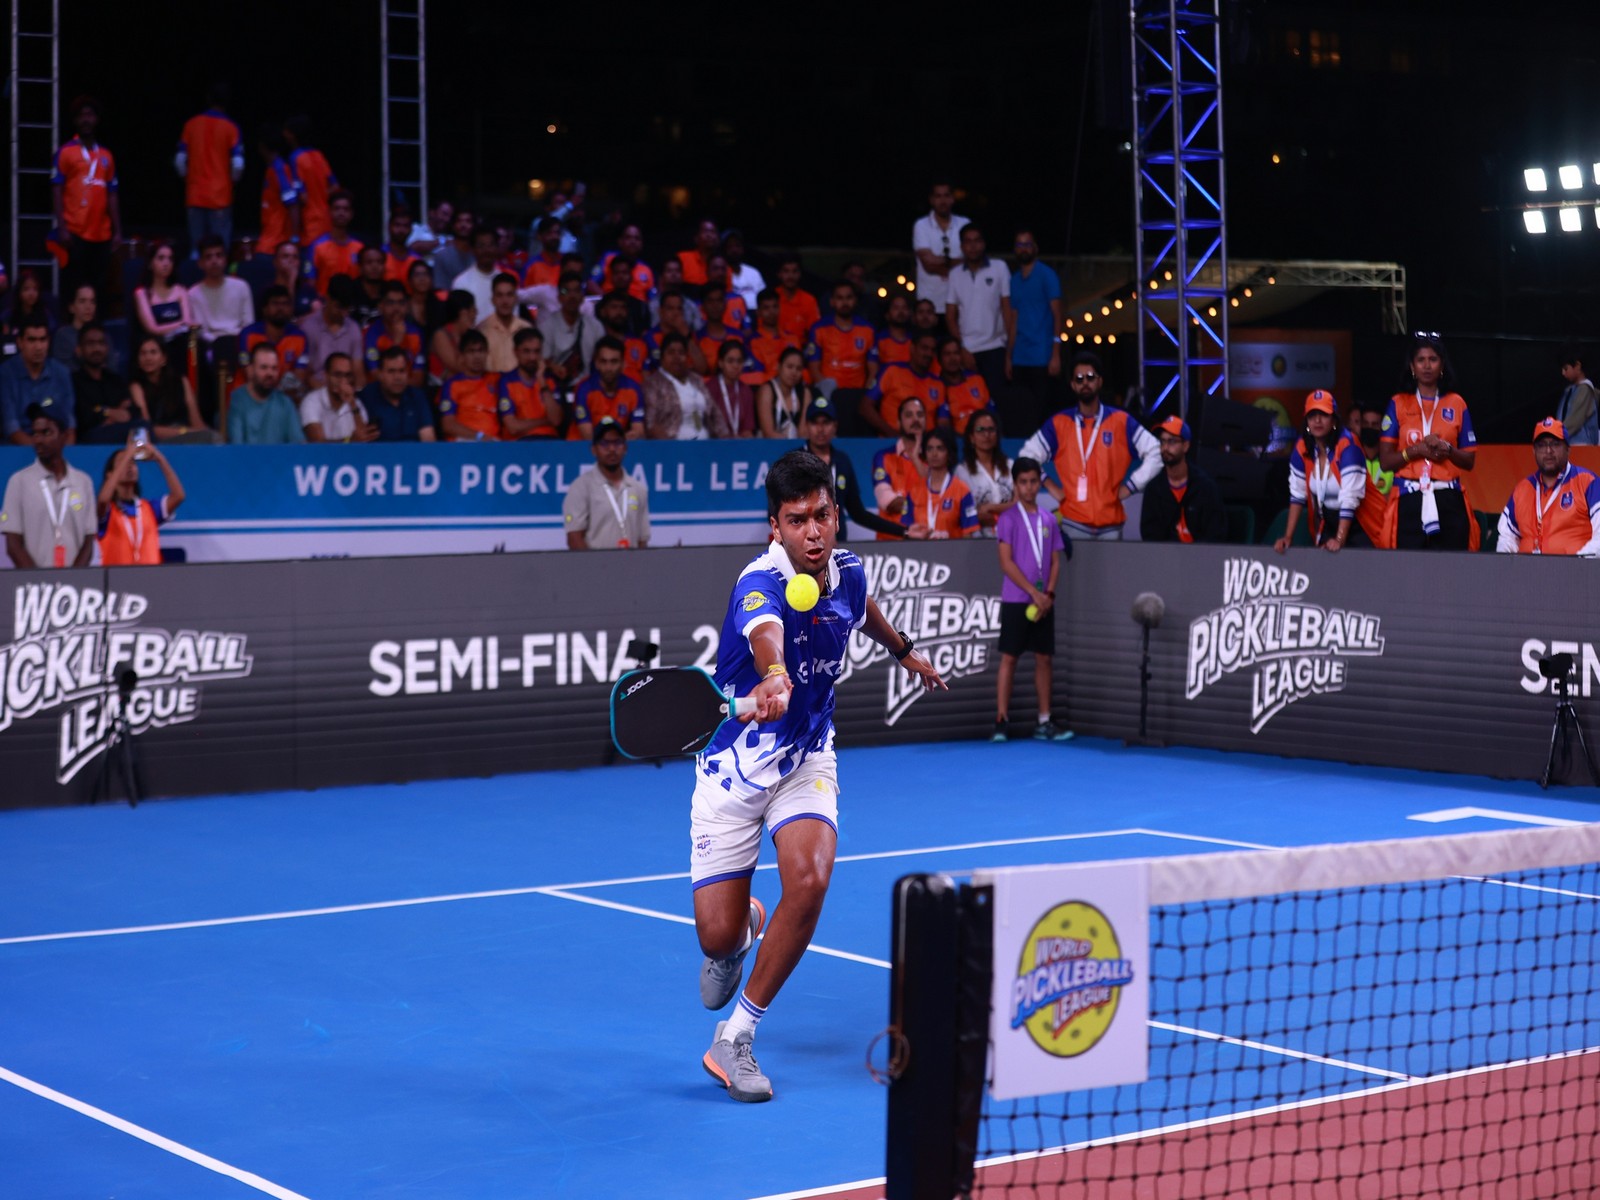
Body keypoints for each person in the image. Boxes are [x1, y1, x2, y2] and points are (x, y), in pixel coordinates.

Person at [691, 450, 945, 1103]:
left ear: (835, 516)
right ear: (774, 526)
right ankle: (742, 926)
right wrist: (773, 675)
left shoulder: (848, 573)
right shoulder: (759, 582)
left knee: (810, 877)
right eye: (798, 520)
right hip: (735, 770)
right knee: (716, 938)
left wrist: (906, 652)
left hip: (806, 755)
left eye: (823, 516)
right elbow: (765, 632)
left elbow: (866, 609)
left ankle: (735, 1038)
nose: (814, 532)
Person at [1020, 351, 1160, 540]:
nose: (1085, 382)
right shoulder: (1059, 423)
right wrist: (1050, 485)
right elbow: (1026, 456)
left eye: (1090, 377)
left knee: (1111, 571)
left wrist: (1132, 486)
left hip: (1111, 524)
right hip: (1073, 523)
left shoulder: (1121, 421)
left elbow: (1156, 452)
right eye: (1079, 379)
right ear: (1072, 385)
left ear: (1099, 382)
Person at [991, 456, 1071, 743]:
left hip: (1044, 602)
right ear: (1015, 485)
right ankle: (1001, 719)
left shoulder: (1049, 519)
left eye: (1033, 481)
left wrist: (1048, 593)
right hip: (1017, 600)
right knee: (1009, 659)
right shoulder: (1008, 519)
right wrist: (1034, 592)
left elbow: (1055, 561)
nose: (1028, 487)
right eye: (1023, 482)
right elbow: (1006, 563)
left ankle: (1045, 720)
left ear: (1040, 483)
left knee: (1044, 659)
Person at [1377, 335, 1477, 551]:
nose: (1427, 365)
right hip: (1409, 499)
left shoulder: (1457, 403)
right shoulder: (1398, 403)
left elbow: (1469, 461)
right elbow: (1385, 461)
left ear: (1442, 365)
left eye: (1433, 359)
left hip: (1448, 498)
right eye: (1421, 360)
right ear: (1412, 366)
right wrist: (1416, 451)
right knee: (1408, 572)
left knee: (1451, 571)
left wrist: (1448, 450)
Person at [2, 398, 96, 567]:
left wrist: (74, 580)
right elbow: (13, 544)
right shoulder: (19, 481)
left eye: (46, 432)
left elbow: (88, 542)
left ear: (64, 436)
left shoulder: (83, 482)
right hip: (33, 588)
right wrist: (40, 582)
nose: (38, 440)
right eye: (35, 433)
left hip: (75, 588)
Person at [799, 397, 907, 539]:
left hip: (837, 548)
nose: (820, 429)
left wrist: (904, 531)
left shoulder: (842, 461)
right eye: (815, 423)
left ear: (835, 426)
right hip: (805, 547)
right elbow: (778, 511)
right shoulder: (795, 462)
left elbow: (858, 513)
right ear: (806, 425)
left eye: (826, 423)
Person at [1274, 391, 1368, 553]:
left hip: (1361, 524)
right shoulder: (1302, 447)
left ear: (1334, 421)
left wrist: (1339, 539)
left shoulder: (1348, 445)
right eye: (1312, 415)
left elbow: (1350, 499)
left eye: (1323, 414)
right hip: (1329, 522)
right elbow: (1297, 495)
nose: (1317, 420)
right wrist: (1288, 537)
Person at [1497, 418, 1600, 555]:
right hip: (1527, 572)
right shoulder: (1522, 489)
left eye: (1555, 444)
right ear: (1534, 451)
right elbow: (1507, 538)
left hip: (1574, 572)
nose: (1548, 451)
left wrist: (1579, 565)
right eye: (1542, 445)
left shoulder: (1588, 482)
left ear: (1568, 449)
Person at [53, 96, 121, 298]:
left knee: (99, 287)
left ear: (96, 120)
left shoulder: (107, 155)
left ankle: (96, 329)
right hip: (75, 232)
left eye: (90, 115)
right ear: (75, 121)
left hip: (101, 234)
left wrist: (117, 231)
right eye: (81, 115)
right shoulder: (65, 152)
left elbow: (112, 194)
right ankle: (72, 329)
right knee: (74, 286)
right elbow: (56, 190)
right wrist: (62, 228)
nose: (86, 119)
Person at [188, 234, 255, 410]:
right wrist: (219, 341)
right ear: (200, 263)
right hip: (212, 344)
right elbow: (201, 330)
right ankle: (218, 414)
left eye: (219, 255)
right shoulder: (193, 293)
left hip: (239, 342)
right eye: (209, 257)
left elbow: (249, 323)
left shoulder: (241, 286)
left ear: (225, 259)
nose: (215, 261)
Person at [176, 84, 244, 255]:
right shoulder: (231, 127)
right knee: (219, 251)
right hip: (220, 196)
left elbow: (179, 160)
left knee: (196, 250)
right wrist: (231, 182)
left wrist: (188, 179)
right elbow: (238, 164)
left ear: (208, 99)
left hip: (195, 194)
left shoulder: (191, 125)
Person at [945, 225, 1012, 396]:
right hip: (967, 350)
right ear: (961, 246)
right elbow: (950, 316)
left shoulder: (1000, 268)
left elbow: (1008, 310)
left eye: (977, 241)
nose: (973, 246)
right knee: (969, 402)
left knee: (997, 402)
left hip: (996, 348)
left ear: (983, 244)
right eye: (968, 241)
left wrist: (1010, 352)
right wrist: (961, 348)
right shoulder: (955, 274)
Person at [1006, 228, 1062, 431]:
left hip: (1042, 355)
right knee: (1021, 412)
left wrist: (1056, 352)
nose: (1023, 248)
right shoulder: (1013, 280)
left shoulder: (1047, 275)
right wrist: (1008, 356)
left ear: (1035, 248)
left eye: (1027, 244)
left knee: (1042, 412)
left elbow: (1057, 315)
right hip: (1020, 356)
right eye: (1019, 244)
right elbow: (1013, 320)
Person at [563, 418, 649, 548]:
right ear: (593, 450)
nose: (612, 449)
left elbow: (642, 541)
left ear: (625, 448)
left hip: (633, 566)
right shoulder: (581, 487)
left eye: (617, 443)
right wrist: (595, 567)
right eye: (604, 443)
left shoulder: (638, 489)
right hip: (595, 566)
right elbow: (574, 538)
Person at [96, 440, 185, 565]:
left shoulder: (149, 509)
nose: (129, 465)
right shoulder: (108, 511)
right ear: (110, 475)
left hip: (150, 580)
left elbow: (178, 495)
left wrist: (160, 459)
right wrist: (128, 454)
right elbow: (103, 499)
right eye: (123, 462)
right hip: (115, 581)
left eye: (132, 462)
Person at [1141, 416, 1228, 543]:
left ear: (1186, 446)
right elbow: (1150, 537)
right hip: (1166, 559)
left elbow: (1216, 535)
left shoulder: (1205, 487)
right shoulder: (1154, 489)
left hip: (1201, 558)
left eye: (1171, 442)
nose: (1165, 447)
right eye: (1162, 442)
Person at [807, 281, 877, 423]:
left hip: (858, 396)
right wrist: (828, 395)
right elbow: (814, 369)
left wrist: (866, 396)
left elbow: (873, 370)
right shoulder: (819, 329)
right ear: (832, 302)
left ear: (855, 300)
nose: (845, 302)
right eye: (839, 298)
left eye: (849, 297)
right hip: (830, 395)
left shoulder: (867, 330)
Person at [2, 314, 76, 446]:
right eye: (32, 340)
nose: (38, 347)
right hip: (16, 450)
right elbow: (12, 429)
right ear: (20, 342)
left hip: (55, 448)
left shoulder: (62, 373)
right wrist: (43, 451)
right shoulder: (5, 374)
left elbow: (69, 428)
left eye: (43, 340)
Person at [900, 426, 978, 540]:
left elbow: (968, 535)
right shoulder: (914, 491)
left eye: (940, 448)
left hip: (953, 555)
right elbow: (906, 531)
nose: (934, 454)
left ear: (949, 454)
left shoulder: (962, 490)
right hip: (920, 556)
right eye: (929, 449)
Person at [862, 330, 944, 437]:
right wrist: (893, 435)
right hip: (891, 441)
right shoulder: (892, 371)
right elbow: (865, 407)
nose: (929, 354)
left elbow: (943, 422)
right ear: (912, 348)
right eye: (924, 348)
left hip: (926, 447)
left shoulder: (938, 384)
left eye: (932, 350)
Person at [129, 334, 208, 443]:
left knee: (214, 438)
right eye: (143, 353)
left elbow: (196, 421)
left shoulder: (181, 381)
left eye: (153, 352)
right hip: (159, 439)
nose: (148, 358)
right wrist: (184, 432)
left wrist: (208, 434)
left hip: (187, 433)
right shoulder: (136, 386)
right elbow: (147, 428)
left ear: (164, 359)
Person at [644, 332, 725, 440]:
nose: (676, 357)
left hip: (706, 446)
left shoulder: (696, 379)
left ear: (687, 357)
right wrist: (672, 448)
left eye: (681, 353)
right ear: (662, 357)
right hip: (674, 448)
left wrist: (726, 440)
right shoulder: (653, 383)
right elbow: (650, 423)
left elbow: (715, 413)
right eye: (671, 352)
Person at [872, 395, 931, 539]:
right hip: (891, 542)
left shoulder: (934, 457)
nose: (915, 419)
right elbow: (888, 502)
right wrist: (924, 504)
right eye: (909, 415)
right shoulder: (883, 457)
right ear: (899, 422)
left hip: (927, 540)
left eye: (920, 415)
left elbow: (942, 500)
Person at [238, 286, 311, 399]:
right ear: (265, 308)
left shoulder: (300, 337)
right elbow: (249, 374)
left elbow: (299, 377)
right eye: (275, 304)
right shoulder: (248, 334)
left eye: (285, 304)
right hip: (249, 396)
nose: (280, 308)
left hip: (284, 398)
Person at [72, 322, 138, 444]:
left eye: (101, 343)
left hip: (120, 436)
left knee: (142, 427)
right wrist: (113, 412)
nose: (97, 348)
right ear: (79, 350)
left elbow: (132, 411)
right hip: (89, 443)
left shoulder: (115, 380)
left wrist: (104, 413)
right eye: (90, 344)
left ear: (107, 348)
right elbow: (84, 418)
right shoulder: (73, 381)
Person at [227, 342, 304, 444]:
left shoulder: (285, 403)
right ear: (251, 370)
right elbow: (237, 447)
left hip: (280, 459)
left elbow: (298, 445)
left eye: (274, 368)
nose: (270, 373)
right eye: (264, 367)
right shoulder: (237, 400)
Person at [538, 271, 604, 390]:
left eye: (577, 290)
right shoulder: (546, 326)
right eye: (565, 291)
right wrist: (553, 366)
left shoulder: (596, 326)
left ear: (583, 296)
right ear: (559, 297)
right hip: (556, 387)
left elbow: (603, 359)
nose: (572, 296)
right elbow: (542, 360)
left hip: (589, 388)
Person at [912, 181, 969, 318]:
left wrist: (941, 263)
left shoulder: (965, 224)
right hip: (929, 305)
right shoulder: (921, 225)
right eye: (938, 196)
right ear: (932, 200)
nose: (942, 200)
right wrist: (957, 265)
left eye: (946, 196)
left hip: (960, 303)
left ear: (952, 199)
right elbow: (928, 264)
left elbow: (971, 262)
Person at [572, 337, 645, 439]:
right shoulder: (584, 389)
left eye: (614, 362)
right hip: (580, 449)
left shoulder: (633, 388)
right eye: (603, 362)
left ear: (623, 364)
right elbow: (587, 436)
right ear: (597, 363)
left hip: (616, 449)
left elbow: (639, 432)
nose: (608, 368)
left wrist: (615, 443)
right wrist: (616, 441)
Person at [955, 410, 1014, 536]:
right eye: (980, 430)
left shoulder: (1010, 466)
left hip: (1012, 535)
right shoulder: (962, 472)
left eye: (991, 429)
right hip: (979, 540)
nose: (986, 434)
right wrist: (978, 516)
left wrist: (989, 508)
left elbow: (1022, 505)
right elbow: (959, 512)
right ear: (971, 437)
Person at [360, 346, 437, 441]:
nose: (397, 377)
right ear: (380, 374)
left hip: (413, 454)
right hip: (380, 454)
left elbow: (428, 439)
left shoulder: (417, 397)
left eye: (402, 371)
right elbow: (359, 439)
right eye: (391, 371)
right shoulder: (367, 396)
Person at [497, 328, 562, 440]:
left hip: (549, 442)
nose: (532, 357)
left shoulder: (549, 380)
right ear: (515, 352)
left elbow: (556, 420)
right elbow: (513, 427)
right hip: (520, 445)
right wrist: (545, 421)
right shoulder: (507, 381)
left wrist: (541, 381)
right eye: (526, 351)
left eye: (536, 351)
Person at [438, 329, 501, 441]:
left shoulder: (497, 379)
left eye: (481, 350)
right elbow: (448, 425)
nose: (477, 356)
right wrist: (480, 437)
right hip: (463, 443)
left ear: (487, 353)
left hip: (493, 444)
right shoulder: (452, 384)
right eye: (471, 351)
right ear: (462, 356)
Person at [302, 275, 364, 388]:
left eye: (347, 308)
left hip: (345, 390)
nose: (343, 314)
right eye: (339, 307)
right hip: (317, 391)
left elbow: (358, 372)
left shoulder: (353, 329)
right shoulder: (309, 327)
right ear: (328, 298)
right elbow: (306, 374)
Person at [284, 116, 338, 245]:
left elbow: (302, 197)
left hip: (309, 226)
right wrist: (321, 196)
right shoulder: (319, 155)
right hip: (327, 222)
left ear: (292, 134)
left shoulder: (295, 158)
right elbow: (335, 187)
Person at [1348, 403, 1395, 549]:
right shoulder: (1351, 457)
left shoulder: (1391, 459)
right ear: (1360, 425)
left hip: (1386, 528)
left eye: (1375, 425)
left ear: (1382, 427)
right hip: (1358, 530)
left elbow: (1396, 496)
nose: (1370, 428)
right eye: (1366, 424)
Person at [300, 353, 374, 442]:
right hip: (320, 456)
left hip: (351, 455)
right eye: (337, 375)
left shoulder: (356, 403)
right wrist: (350, 441)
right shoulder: (312, 401)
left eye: (347, 375)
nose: (343, 380)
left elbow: (363, 439)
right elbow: (317, 443)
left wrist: (352, 405)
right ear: (326, 376)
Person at [133, 241, 194, 348]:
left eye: (170, 259)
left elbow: (188, 322)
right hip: (155, 346)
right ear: (150, 263)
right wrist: (181, 325)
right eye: (161, 258)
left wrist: (183, 326)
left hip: (180, 343)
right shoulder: (141, 293)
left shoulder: (181, 290)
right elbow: (152, 328)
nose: (166, 263)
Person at [255, 125, 302, 257]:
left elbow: (293, 205)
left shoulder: (279, 170)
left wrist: (294, 238)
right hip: (270, 237)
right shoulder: (272, 169)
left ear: (262, 146)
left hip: (276, 243)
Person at [307, 189, 363, 296]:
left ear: (351, 214)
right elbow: (310, 282)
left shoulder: (359, 248)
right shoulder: (316, 247)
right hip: (324, 306)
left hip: (352, 306)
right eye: (337, 209)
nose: (341, 213)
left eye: (346, 209)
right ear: (329, 212)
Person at [935, 336, 995, 432]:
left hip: (983, 434)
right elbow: (943, 426)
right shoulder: (937, 386)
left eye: (956, 353)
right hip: (959, 440)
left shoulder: (977, 379)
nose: (953, 358)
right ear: (939, 358)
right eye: (947, 354)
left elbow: (992, 413)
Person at [477, 272, 533, 374]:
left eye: (509, 295)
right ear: (493, 300)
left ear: (516, 298)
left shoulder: (527, 329)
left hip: (520, 388)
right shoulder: (482, 331)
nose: (505, 301)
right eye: (500, 295)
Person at [744, 288, 799, 388]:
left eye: (775, 307)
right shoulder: (752, 341)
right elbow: (756, 375)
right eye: (766, 308)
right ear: (758, 312)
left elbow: (800, 368)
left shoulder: (793, 338)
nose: (772, 312)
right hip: (767, 390)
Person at [756, 347, 814, 440]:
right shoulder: (767, 390)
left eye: (798, 369)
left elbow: (803, 432)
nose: (794, 372)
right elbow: (768, 433)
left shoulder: (805, 393)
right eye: (789, 367)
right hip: (769, 447)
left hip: (796, 449)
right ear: (779, 367)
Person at [595, 290, 651, 382]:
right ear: (603, 312)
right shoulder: (596, 342)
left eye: (623, 307)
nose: (619, 312)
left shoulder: (639, 344)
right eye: (614, 307)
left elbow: (646, 376)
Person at [707, 341, 758, 438]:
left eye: (739, 361)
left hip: (740, 447)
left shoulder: (746, 391)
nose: (735, 366)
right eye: (730, 361)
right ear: (720, 363)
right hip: (713, 446)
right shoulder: (709, 389)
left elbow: (747, 431)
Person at [451, 226, 503, 317]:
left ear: (497, 248)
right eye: (481, 246)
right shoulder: (461, 283)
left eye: (491, 245)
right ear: (472, 249)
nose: (487, 250)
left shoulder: (505, 281)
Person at [51, 283, 102, 369]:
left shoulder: (102, 336)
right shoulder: (63, 336)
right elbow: (63, 370)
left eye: (92, 302)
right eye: (82, 301)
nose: (88, 307)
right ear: (72, 307)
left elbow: (111, 369)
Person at [1556, 347, 1599, 447]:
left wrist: (1555, 435)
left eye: (1566, 368)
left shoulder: (1585, 390)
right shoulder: (1570, 391)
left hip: (1581, 446)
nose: (1563, 373)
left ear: (1577, 366)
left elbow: (1574, 420)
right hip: (1568, 444)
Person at [774, 255, 821, 343]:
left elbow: (815, 332)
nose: (790, 276)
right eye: (786, 271)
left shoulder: (809, 300)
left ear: (800, 274)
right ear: (779, 274)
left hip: (800, 351)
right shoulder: (771, 297)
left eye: (795, 271)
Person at [429, 207, 476, 288]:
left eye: (468, 221)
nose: (463, 225)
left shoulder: (480, 255)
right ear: (453, 225)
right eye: (459, 221)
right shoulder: (442, 256)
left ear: (474, 225)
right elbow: (440, 290)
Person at [271, 240, 320, 318]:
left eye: (295, 257)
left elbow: (318, 317)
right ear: (275, 262)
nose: (291, 260)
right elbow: (284, 319)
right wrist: (291, 281)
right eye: (285, 256)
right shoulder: (269, 291)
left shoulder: (308, 290)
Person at [721, 229, 765, 308]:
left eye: (737, 245)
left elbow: (764, 300)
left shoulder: (753, 273)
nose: (734, 250)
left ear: (742, 249)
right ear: (724, 249)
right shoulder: (721, 273)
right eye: (730, 246)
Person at [872, 293, 914, 372]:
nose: (901, 312)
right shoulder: (878, 340)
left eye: (904, 308)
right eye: (896, 308)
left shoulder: (915, 341)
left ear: (910, 313)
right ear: (887, 315)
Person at [521, 216, 566, 288]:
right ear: (539, 236)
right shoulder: (531, 266)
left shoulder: (567, 263)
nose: (554, 236)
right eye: (549, 233)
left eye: (557, 232)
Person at [382, 207, 422, 283]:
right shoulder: (380, 255)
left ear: (411, 229)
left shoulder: (416, 259)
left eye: (405, 226)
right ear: (389, 227)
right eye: (397, 225)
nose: (401, 230)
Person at [679, 218, 720, 286]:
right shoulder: (682, 259)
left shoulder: (723, 265)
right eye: (705, 231)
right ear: (696, 238)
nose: (709, 235)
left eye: (713, 231)